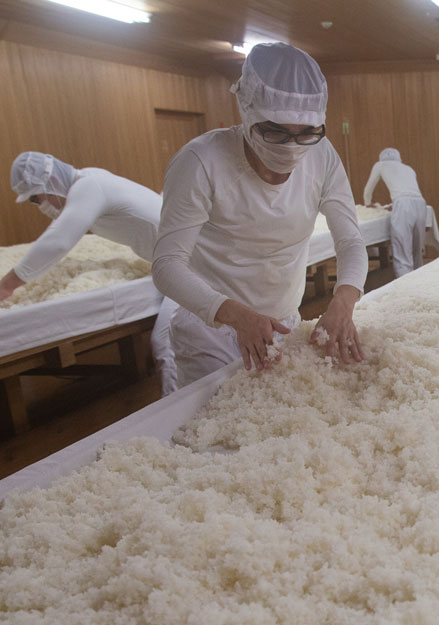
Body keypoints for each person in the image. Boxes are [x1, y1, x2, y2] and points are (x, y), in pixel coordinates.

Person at [152, 42, 368, 387]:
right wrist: (237, 315)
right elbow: (166, 266)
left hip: (284, 324)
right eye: (275, 132)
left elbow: (351, 241)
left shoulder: (322, 155)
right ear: (247, 111)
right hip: (213, 332)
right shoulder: (201, 161)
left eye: (306, 133)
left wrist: (344, 301)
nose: (291, 147)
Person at [0, 152, 181, 393]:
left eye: (37, 199)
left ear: (50, 181)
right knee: (173, 340)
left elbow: (59, 239)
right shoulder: (91, 179)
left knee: (168, 341)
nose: (41, 206)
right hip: (178, 261)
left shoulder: (90, 186)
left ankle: (178, 413)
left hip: (190, 262)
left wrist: (6, 285)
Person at [362, 147, 426, 277]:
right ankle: (420, 280)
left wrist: (367, 203)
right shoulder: (409, 169)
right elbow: (408, 191)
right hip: (420, 203)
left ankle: (404, 286)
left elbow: (369, 189)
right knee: (417, 249)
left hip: (402, 203)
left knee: (402, 249)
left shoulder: (380, 165)